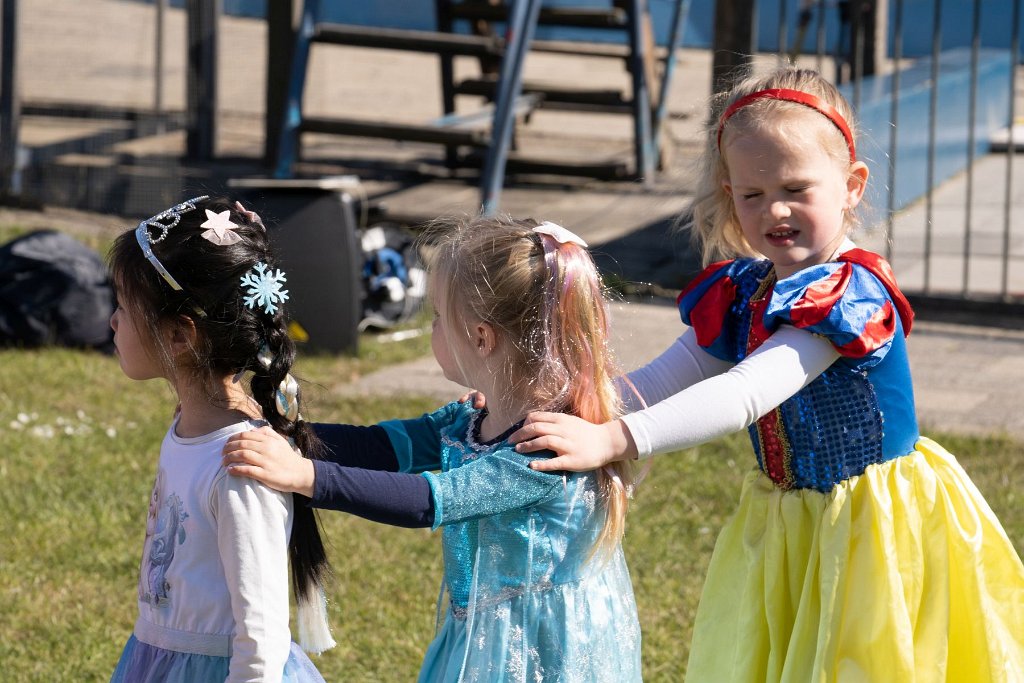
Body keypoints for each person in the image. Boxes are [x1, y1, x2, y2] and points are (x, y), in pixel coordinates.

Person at [510, 67, 1024, 681]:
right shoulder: (745, 291)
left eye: (796, 188)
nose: (774, 209)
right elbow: (666, 375)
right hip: (789, 520)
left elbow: (747, 391)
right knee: (786, 657)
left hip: (869, 527)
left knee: (855, 661)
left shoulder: (847, 296)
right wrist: (573, 407)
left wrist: (614, 439)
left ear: (852, 186)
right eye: (751, 195)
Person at [221, 216, 643, 682]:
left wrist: (307, 477)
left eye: (440, 317)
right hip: (483, 635)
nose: (433, 330)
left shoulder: (544, 449)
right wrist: (288, 434)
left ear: (481, 338)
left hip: (540, 649)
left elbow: (431, 500)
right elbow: (380, 446)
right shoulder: (469, 420)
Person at [107, 196, 335, 682]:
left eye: (124, 306)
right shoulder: (190, 427)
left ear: (179, 336)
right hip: (159, 661)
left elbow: (261, 634)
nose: (113, 320)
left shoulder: (240, 463)